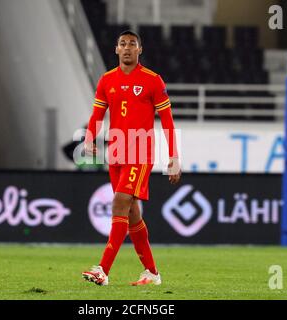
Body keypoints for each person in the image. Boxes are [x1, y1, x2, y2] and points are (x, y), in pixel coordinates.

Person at [81, 30, 181, 286]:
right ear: (116, 49)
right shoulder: (106, 80)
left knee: (119, 202)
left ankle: (102, 270)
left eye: (132, 44)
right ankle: (152, 273)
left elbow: (167, 121)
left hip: (139, 153)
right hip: (116, 153)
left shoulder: (152, 80)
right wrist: (90, 138)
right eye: (122, 44)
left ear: (140, 49)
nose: (127, 48)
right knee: (132, 213)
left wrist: (174, 156)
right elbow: (97, 115)